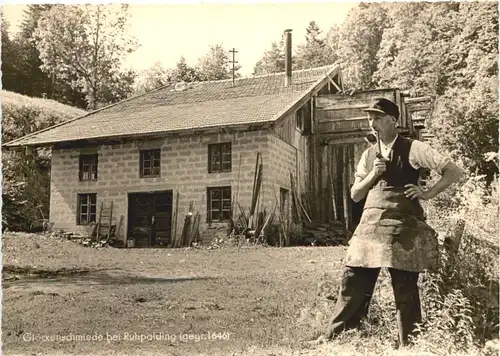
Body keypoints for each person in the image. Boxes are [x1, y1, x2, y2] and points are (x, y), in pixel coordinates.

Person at [316, 97, 462, 347]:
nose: (372, 123)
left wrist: (426, 193)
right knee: (353, 279)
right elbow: (355, 194)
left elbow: (453, 171)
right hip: (370, 225)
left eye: (377, 118)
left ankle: (411, 344)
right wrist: (374, 173)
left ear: (392, 121)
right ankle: (339, 339)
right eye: (369, 118)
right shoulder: (368, 155)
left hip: (403, 226)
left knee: (404, 286)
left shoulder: (414, 148)